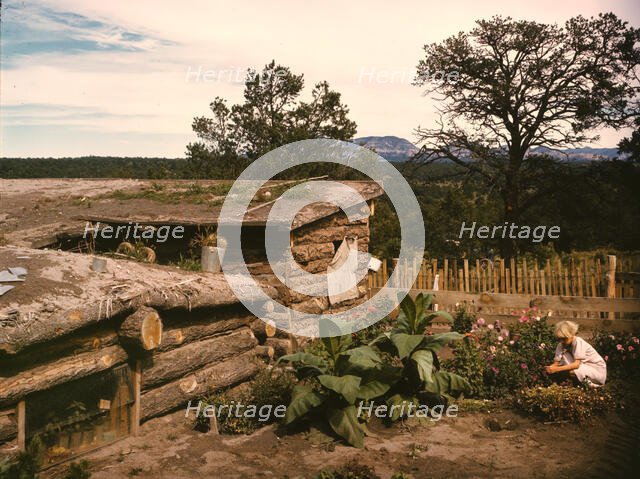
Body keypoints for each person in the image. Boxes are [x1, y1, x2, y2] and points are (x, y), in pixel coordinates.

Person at [545, 320, 607, 387]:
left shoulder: (578, 342)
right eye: (559, 339)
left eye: (564, 339)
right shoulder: (561, 345)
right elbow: (556, 363)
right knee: (564, 356)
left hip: (596, 370)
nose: (561, 341)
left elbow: (576, 365)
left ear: (572, 334)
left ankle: (593, 386)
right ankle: (579, 383)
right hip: (584, 367)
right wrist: (549, 368)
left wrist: (556, 369)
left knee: (573, 372)